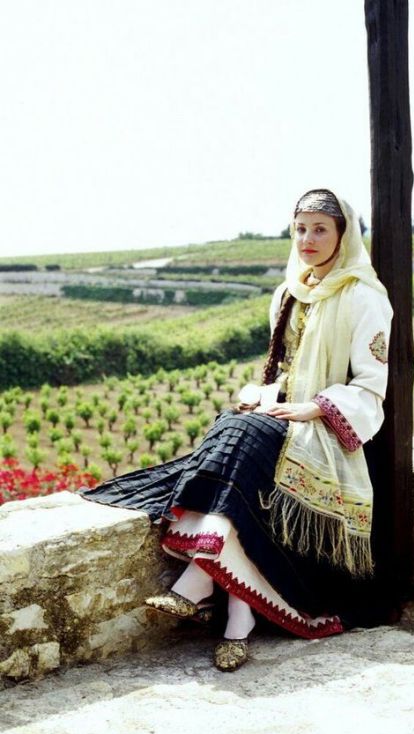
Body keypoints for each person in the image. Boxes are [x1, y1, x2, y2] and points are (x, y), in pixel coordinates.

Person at [80, 188, 394, 672]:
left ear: (343, 235)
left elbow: (372, 387)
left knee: (243, 439)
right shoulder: (289, 292)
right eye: (300, 228)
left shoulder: (365, 298)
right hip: (285, 413)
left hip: (328, 428)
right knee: (235, 425)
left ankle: (200, 587)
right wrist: (263, 394)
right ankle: (236, 614)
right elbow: (280, 371)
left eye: (320, 229)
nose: (307, 239)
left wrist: (315, 408)